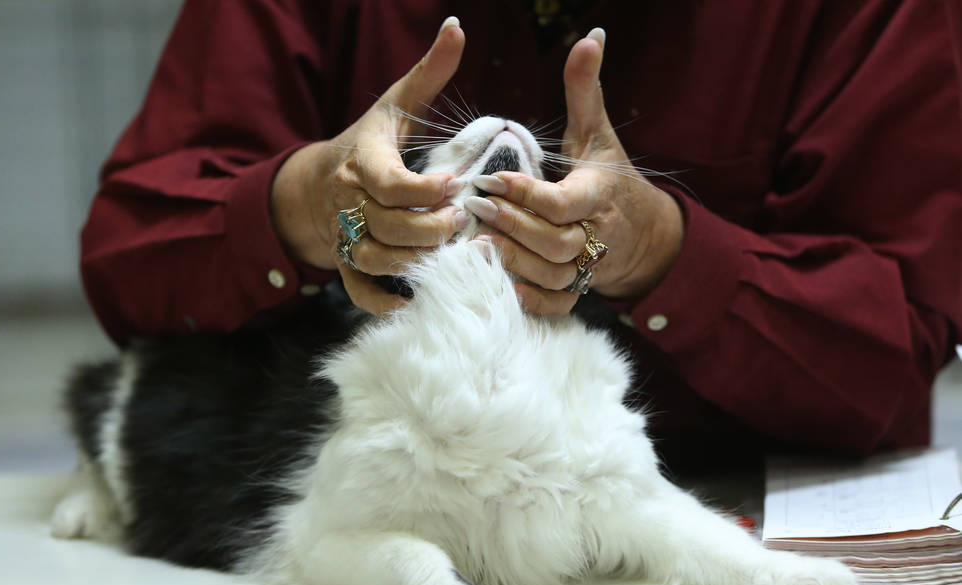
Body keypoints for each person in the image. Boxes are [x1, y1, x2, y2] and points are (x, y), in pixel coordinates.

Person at [77, 1, 962, 474]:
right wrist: (304, 206)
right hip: (383, 507)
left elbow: (895, 343)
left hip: (732, 509)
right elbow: (129, 257)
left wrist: (664, 256)